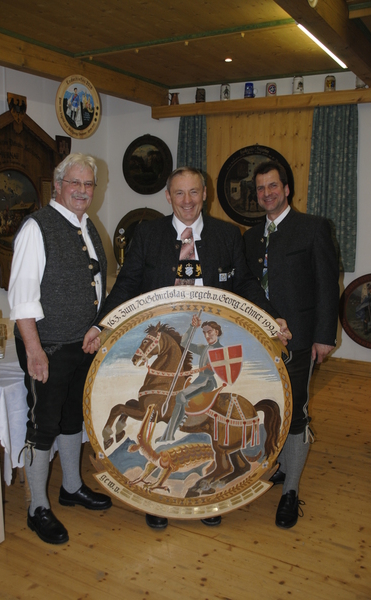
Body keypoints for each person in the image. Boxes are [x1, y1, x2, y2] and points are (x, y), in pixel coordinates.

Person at [84, 166, 291, 530]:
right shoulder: (148, 234)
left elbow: (245, 283)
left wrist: (272, 318)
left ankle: (211, 498)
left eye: (194, 192)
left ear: (205, 193)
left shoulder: (227, 234)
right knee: (154, 410)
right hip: (166, 343)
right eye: (179, 193)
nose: (187, 200)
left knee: (199, 411)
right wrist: (102, 324)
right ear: (168, 196)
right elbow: (127, 283)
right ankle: (155, 500)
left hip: (202, 346)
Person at [8, 153, 112, 545]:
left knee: (72, 419)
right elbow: (21, 298)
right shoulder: (37, 227)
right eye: (75, 183)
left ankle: (71, 487)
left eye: (88, 184)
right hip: (48, 346)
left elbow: (93, 282)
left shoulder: (87, 225)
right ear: (58, 186)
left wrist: (95, 327)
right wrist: (34, 350)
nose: (82, 191)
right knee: (43, 425)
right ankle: (37, 507)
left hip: (80, 344)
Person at [244, 160, 340, 529]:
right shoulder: (251, 237)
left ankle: (291, 492)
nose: (266, 193)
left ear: (286, 189)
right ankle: (281, 465)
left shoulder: (313, 228)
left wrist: (324, 336)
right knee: (266, 407)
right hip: (258, 343)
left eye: (273, 186)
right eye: (260, 188)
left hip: (298, 339)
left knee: (295, 409)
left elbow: (327, 285)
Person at [160, 315, 223, 442]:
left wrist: (215, 366)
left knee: (181, 396)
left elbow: (224, 368)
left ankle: (169, 435)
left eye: (209, 332)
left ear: (216, 332)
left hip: (207, 382)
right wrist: (192, 327)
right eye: (204, 332)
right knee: (180, 396)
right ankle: (167, 434)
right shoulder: (203, 348)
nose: (206, 335)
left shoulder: (220, 350)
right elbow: (184, 343)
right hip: (199, 380)